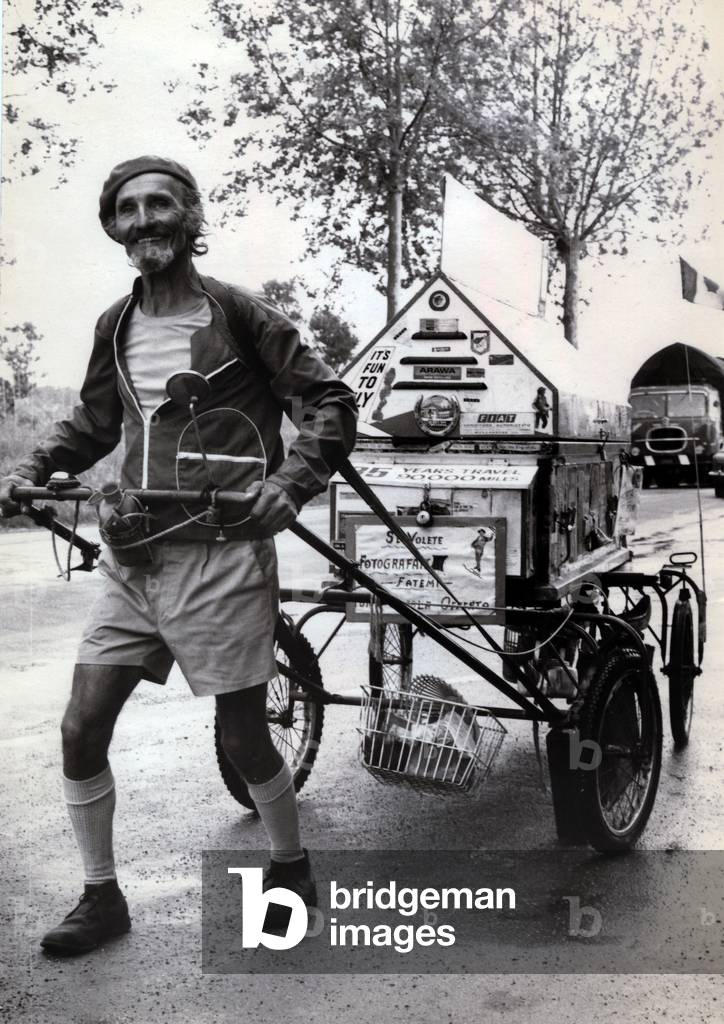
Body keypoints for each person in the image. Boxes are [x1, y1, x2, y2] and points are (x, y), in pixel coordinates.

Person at [0, 156, 358, 955]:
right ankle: (101, 898)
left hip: (225, 552)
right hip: (134, 556)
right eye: (127, 209)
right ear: (114, 228)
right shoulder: (114, 325)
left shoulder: (241, 315)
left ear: (191, 216)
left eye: (161, 204)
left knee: (243, 739)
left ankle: (290, 867)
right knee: (79, 727)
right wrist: (29, 470)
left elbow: (329, 401)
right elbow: (94, 424)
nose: (145, 219)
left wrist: (292, 484)